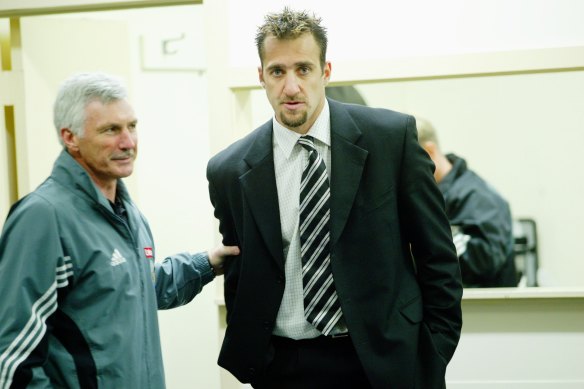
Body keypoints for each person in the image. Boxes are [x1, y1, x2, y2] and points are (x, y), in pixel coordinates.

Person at [207, 8, 462, 389]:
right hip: (283, 366)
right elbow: (242, 273)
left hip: (381, 364)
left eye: (303, 69)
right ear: (261, 76)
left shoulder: (391, 140)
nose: (291, 87)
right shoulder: (229, 169)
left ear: (325, 71)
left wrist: (431, 354)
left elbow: (438, 258)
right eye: (277, 71)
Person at [0, 72, 239, 389]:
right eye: (111, 130)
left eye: (132, 126)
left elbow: (139, 287)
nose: (128, 142)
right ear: (70, 137)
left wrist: (206, 263)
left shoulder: (127, 211)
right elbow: (12, 356)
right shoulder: (43, 217)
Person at [415, 117, 517, 288]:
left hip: (486, 309)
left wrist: (424, 237)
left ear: (429, 151)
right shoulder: (431, 194)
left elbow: (486, 261)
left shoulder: (478, 197)